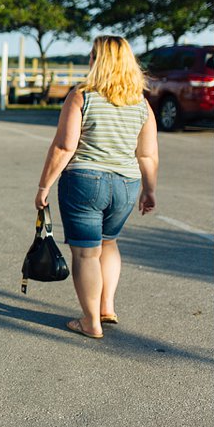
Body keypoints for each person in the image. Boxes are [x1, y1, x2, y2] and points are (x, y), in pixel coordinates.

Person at [35, 35, 159, 339]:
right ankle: (106, 306)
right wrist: (149, 189)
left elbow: (65, 147)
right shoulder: (140, 101)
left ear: (96, 60)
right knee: (109, 243)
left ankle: (90, 321)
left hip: (85, 182)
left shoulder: (82, 95)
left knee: (86, 254)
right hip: (127, 184)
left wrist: (43, 186)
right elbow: (147, 153)